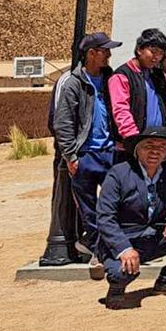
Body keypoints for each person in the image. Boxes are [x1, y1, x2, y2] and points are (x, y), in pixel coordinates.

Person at [95, 126, 166, 308]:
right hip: (122, 240)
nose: (155, 151)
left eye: (161, 147)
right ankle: (116, 289)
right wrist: (124, 249)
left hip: (153, 237)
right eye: (149, 146)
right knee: (121, 272)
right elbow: (105, 217)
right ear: (137, 150)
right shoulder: (118, 174)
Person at [53, 32, 122, 273]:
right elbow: (63, 123)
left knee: (115, 202)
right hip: (85, 155)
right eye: (105, 50)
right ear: (91, 53)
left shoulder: (111, 78)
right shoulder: (73, 83)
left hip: (110, 151)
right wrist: (71, 155)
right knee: (88, 207)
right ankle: (99, 251)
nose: (109, 55)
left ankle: (109, 246)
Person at [108, 28, 166, 163]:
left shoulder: (159, 75)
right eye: (153, 52)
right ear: (139, 50)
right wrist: (134, 141)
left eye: (160, 54)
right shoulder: (122, 75)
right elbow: (121, 110)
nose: (156, 57)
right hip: (131, 148)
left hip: (157, 145)